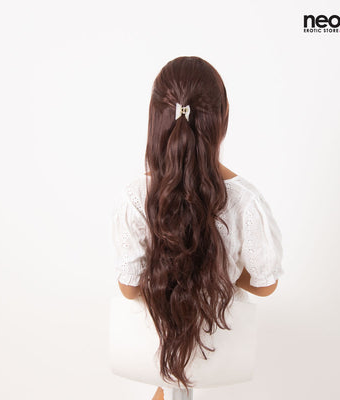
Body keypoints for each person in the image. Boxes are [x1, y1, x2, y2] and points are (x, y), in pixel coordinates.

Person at [112, 56, 284, 400]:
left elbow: (129, 289)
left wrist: (170, 278)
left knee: (168, 375)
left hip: (155, 346)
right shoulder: (246, 201)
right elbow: (265, 284)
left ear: (156, 119)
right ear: (223, 117)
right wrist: (221, 273)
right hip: (217, 345)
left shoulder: (136, 196)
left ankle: (165, 385)